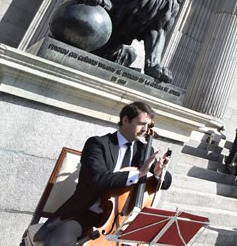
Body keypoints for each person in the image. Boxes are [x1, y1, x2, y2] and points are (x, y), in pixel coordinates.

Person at [33, 102, 171, 246]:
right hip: (88, 213)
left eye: (148, 126)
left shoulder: (144, 150)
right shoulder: (97, 144)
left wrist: (159, 173)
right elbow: (97, 178)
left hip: (123, 221)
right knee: (57, 241)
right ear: (125, 120)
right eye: (141, 124)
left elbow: (166, 183)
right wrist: (139, 174)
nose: (145, 130)